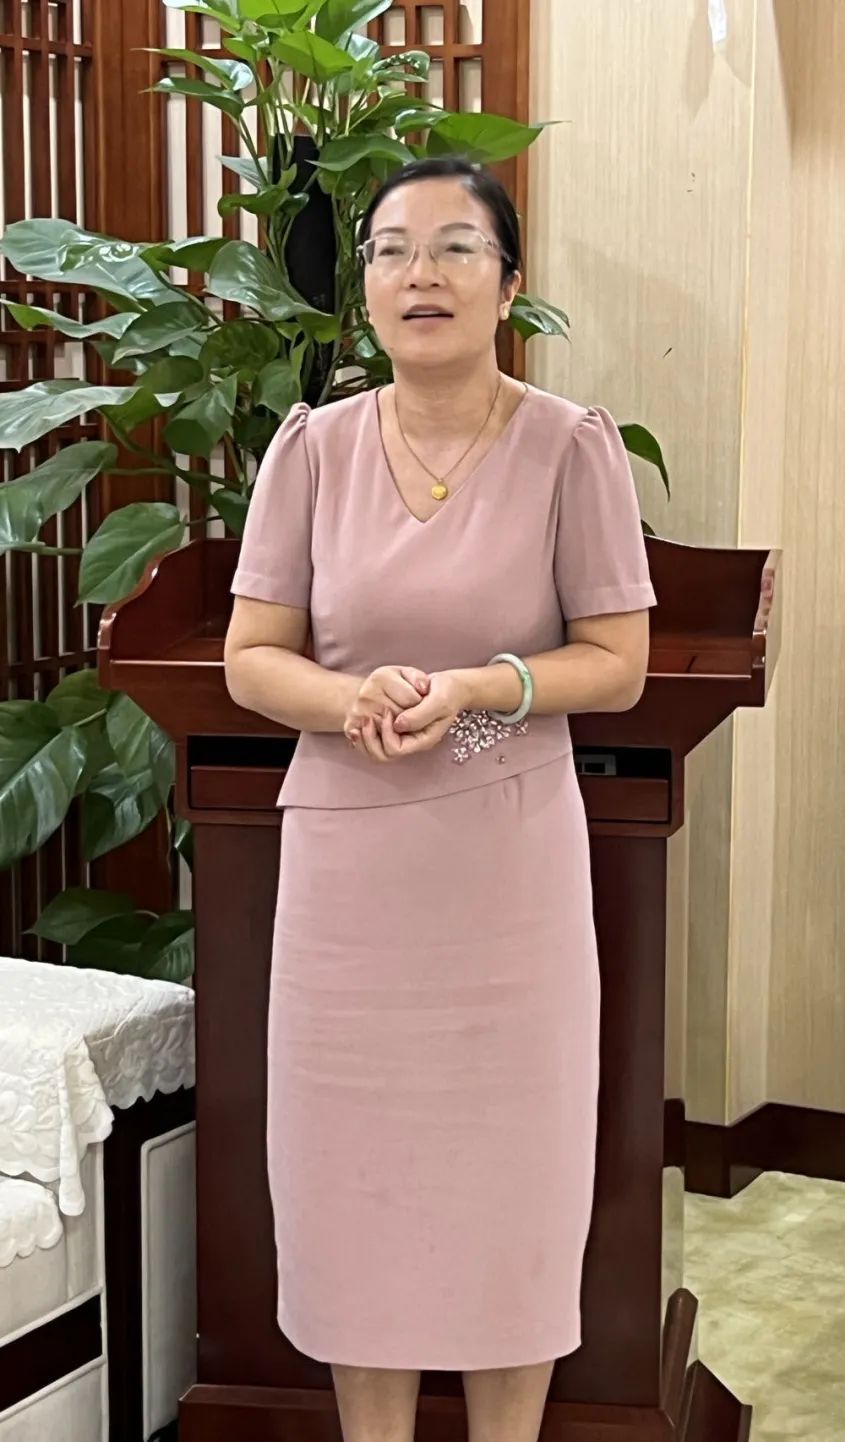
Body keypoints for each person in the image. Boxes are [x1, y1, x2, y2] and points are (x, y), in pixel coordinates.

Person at [222, 155, 657, 1442]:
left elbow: (618, 663)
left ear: (510, 283)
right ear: (363, 290)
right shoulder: (311, 449)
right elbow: (254, 656)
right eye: (392, 250)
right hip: (349, 887)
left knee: (509, 1196)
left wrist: (480, 687)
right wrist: (342, 698)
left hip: (507, 873)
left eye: (457, 248)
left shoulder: (572, 447)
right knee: (356, 1197)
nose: (422, 275)